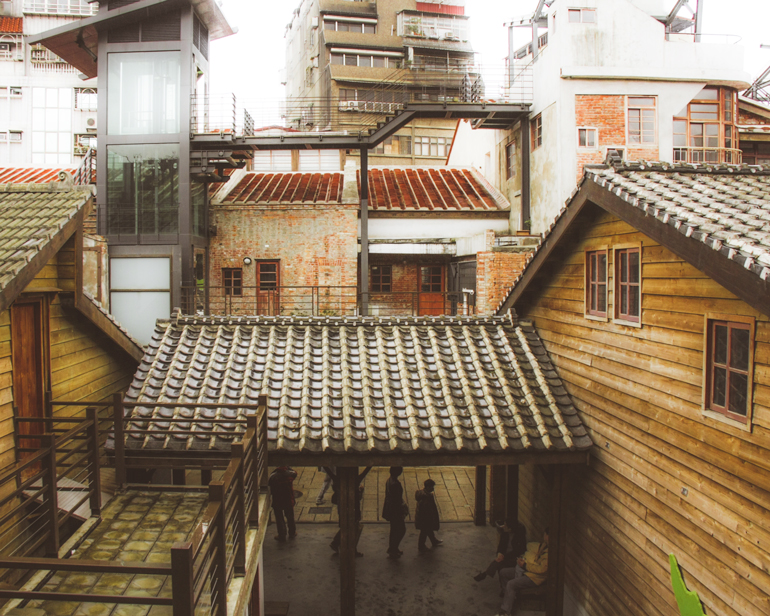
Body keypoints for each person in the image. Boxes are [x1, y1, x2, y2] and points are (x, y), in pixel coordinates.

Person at [495, 528, 549, 616]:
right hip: (527, 571)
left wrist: (525, 565)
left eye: (545, 535)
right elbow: (531, 548)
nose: (545, 536)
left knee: (511, 584)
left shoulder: (550, 553)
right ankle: (509, 597)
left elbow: (541, 570)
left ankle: (506, 612)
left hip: (534, 578)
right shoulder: (544, 546)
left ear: (547, 536)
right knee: (503, 573)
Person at [327, 466, 372, 556]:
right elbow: (364, 473)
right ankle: (342, 546)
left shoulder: (338, 481)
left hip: (343, 507)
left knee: (346, 527)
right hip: (353, 508)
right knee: (350, 528)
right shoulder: (354, 481)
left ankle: (339, 544)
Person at [473, 518, 527, 583]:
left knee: (498, 564)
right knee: (498, 563)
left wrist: (504, 557)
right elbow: (500, 546)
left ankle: (485, 574)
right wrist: (499, 553)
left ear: (510, 529)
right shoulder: (504, 534)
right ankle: (486, 574)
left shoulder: (519, 537)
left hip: (514, 558)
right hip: (505, 556)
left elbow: (517, 552)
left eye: (505, 525)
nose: (503, 526)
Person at [381, 466, 407, 558]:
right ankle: (393, 548)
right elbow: (397, 500)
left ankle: (393, 548)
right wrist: (403, 510)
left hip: (391, 509)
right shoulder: (395, 484)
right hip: (395, 510)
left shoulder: (390, 481)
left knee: (394, 529)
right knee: (401, 530)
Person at [268, 466, 298, 542]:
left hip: (277, 500)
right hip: (288, 499)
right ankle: (292, 532)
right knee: (290, 517)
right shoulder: (290, 474)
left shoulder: (273, 476)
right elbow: (295, 473)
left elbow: (270, 484)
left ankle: (282, 534)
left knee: (279, 518)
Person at [414, 478, 443, 551]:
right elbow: (427, 510)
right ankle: (421, 546)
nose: (433, 489)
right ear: (427, 487)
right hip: (425, 518)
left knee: (429, 530)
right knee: (424, 532)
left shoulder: (423, 495)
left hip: (422, 517)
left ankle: (433, 540)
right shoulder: (426, 498)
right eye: (432, 487)